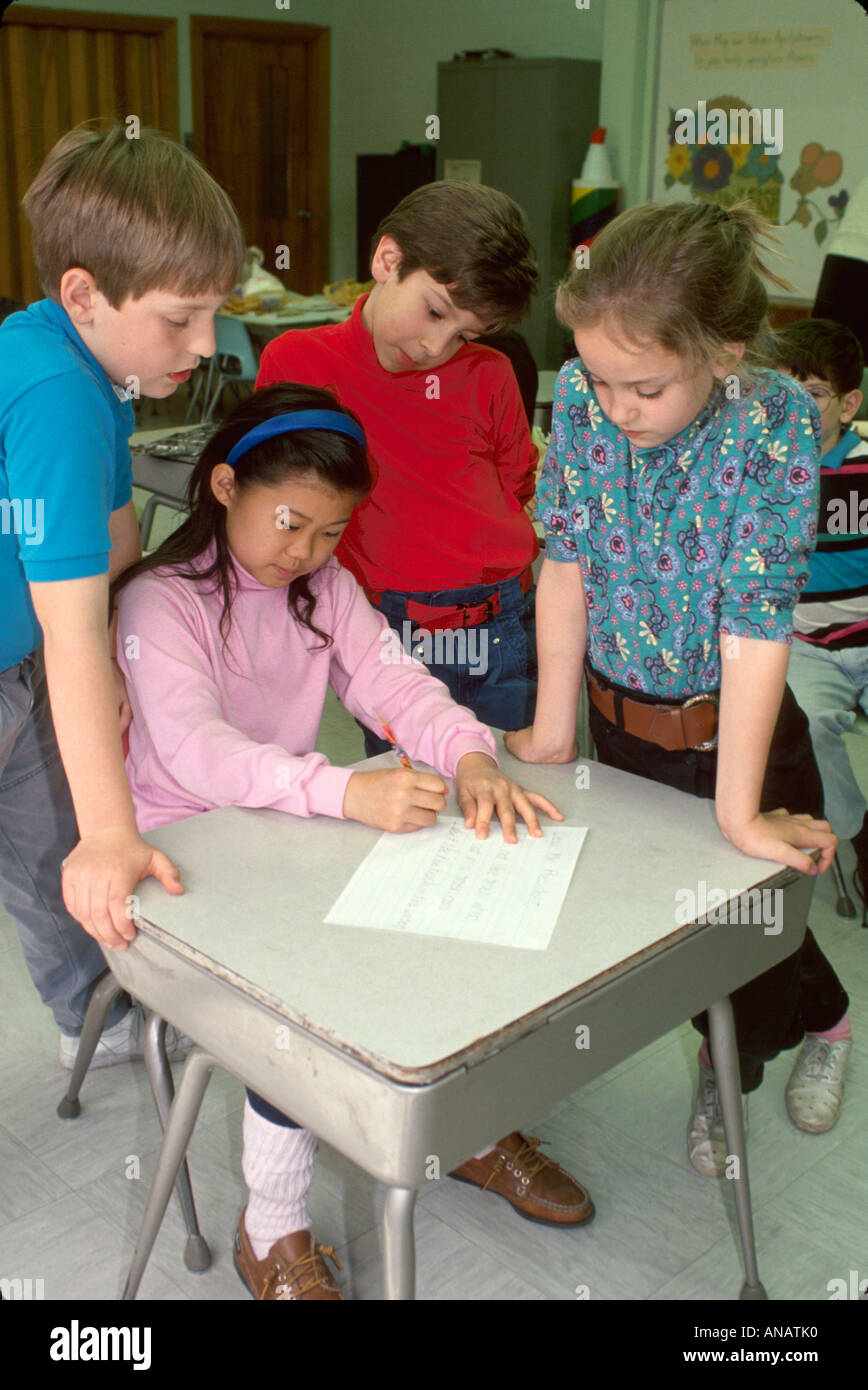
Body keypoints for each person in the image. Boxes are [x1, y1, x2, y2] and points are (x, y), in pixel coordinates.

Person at [112, 382, 590, 1300]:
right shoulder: (159, 604)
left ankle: (470, 1131)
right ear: (222, 487)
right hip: (183, 856)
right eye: (292, 523)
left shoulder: (323, 588)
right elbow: (201, 756)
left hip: (286, 825)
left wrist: (471, 757)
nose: (308, 552)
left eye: (332, 533)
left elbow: (395, 683)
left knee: (456, 897)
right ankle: (273, 1227)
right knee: (304, 992)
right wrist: (343, 790)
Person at [507, 200, 851, 1174]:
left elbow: (752, 625)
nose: (615, 406)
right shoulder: (579, 393)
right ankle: (823, 1019)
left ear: (726, 353)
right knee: (677, 920)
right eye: (601, 379)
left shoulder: (775, 424)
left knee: (745, 934)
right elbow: (564, 563)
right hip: (624, 730)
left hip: (733, 733)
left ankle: (751, 1059)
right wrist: (549, 731)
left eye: (645, 386)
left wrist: (740, 811)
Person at [0, 120, 244, 1066]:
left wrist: (123, 652)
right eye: (179, 318)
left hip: (23, 665)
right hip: (27, 655)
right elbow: (69, 630)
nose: (208, 342)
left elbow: (112, 538)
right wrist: (113, 834)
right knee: (77, 835)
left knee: (40, 840)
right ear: (83, 294)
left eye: (216, 313)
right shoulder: (57, 393)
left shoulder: (90, 369)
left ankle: (89, 1020)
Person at [256, 181, 541, 753]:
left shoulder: (490, 373)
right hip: (390, 633)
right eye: (434, 310)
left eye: (464, 333)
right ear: (388, 260)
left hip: (506, 619)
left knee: (513, 792)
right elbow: (275, 501)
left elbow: (517, 485)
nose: (438, 345)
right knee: (413, 802)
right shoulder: (297, 362)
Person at [776, 320, 867, 940]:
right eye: (785, 393)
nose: (798, 410)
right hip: (806, 643)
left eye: (812, 394)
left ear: (849, 403)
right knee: (805, 717)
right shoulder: (768, 464)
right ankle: (853, 833)